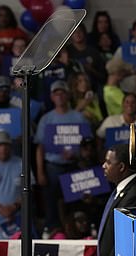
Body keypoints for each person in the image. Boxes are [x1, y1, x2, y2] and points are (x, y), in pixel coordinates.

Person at [35, 80, 89, 231]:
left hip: (75, 166)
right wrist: (40, 172)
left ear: (68, 95)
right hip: (53, 167)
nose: (59, 96)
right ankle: (53, 232)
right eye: (55, 93)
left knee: (76, 203)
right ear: (51, 97)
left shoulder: (79, 118)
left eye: (62, 92)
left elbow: (87, 146)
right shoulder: (46, 119)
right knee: (51, 203)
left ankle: (76, 232)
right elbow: (40, 146)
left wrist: (78, 155)